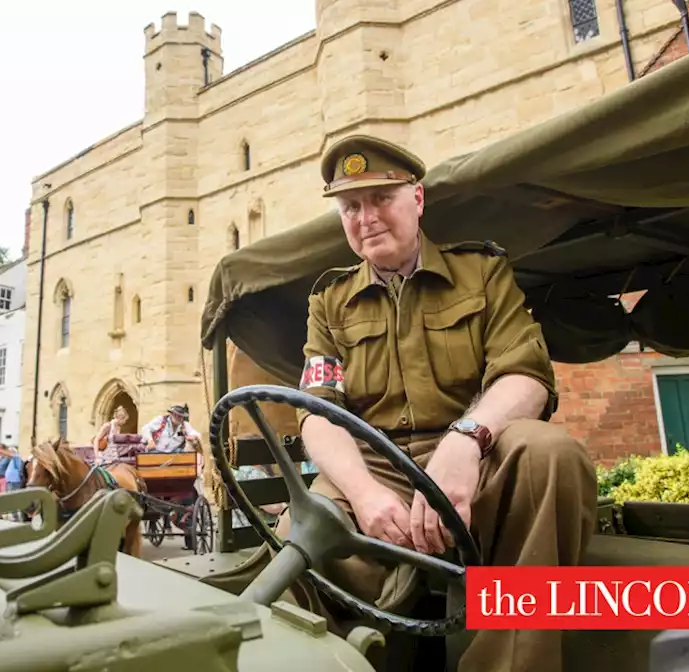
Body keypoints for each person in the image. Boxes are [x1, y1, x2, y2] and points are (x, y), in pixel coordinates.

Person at [227, 135, 597, 672]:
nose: (366, 217)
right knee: (297, 538)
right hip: (376, 468)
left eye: (382, 198)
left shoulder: (482, 273)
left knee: (549, 453)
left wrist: (467, 441)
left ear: (417, 199)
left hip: (479, 459)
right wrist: (364, 493)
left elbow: (525, 375)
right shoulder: (329, 302)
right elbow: (318, 414)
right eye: (351, 206)